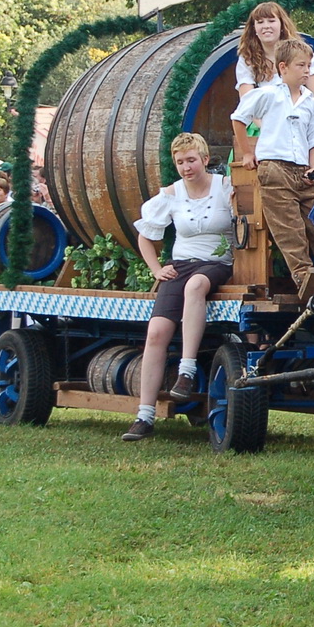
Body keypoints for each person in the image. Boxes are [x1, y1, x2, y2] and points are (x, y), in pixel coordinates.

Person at [124, 133, 236, 441]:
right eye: (180, 162)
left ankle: (186, 370)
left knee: (196, 286)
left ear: (204, 159)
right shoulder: (172, 193)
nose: (186, 168)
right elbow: (145, 234)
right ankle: (144, 416)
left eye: (191, 160)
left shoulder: (224, 187)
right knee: (157, 331)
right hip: (182, 263)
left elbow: (247, 218)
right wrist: (157, 269)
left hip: (217, 263)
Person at [232, 39, 314, 295]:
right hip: (275, 168)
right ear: (283, 68)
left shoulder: (311, 102)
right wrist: (248, 153)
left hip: (304, 171)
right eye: (301, 66)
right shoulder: (268, 94)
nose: (307, 71)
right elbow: (239, 118)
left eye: (309, 66)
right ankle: (304, 279)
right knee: (289, 229)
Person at [234, 1, 314, 132]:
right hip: (262, 123)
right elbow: (247, 101)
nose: (266, 26)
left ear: (281, 25)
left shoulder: (302, 53)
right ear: (254, 28)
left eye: (271, 21)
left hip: (298, 119)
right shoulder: (247, 58)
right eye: (260, 22)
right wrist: (267, 128)